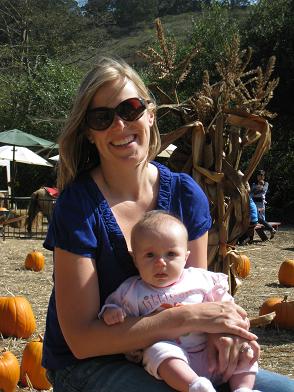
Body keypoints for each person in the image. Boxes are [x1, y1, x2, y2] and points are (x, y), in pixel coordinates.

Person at [42, 56, 294, 391]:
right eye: (102, 117)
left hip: (185, 354)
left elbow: (196, 290)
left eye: (129, 109)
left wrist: (223, 334)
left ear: (150, 114)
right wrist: (184, 318)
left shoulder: (185, 194)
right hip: (89, 365)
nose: (119, 125)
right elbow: (83, 340)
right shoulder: (78, 206)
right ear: (89, 133)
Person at [100, 210, 259, 392]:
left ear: (185, 256)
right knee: (158, 351)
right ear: (135, 259)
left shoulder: (201, 279)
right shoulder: (132, 290)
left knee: (246, 351)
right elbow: (113, 306)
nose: (160, 262)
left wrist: (236, 327)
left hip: (212, 351)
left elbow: (226, 307)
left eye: (171, 254)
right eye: (150, 255)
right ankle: (195, 386)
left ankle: (243, 388)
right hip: (175, 358)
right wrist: (111, 312)